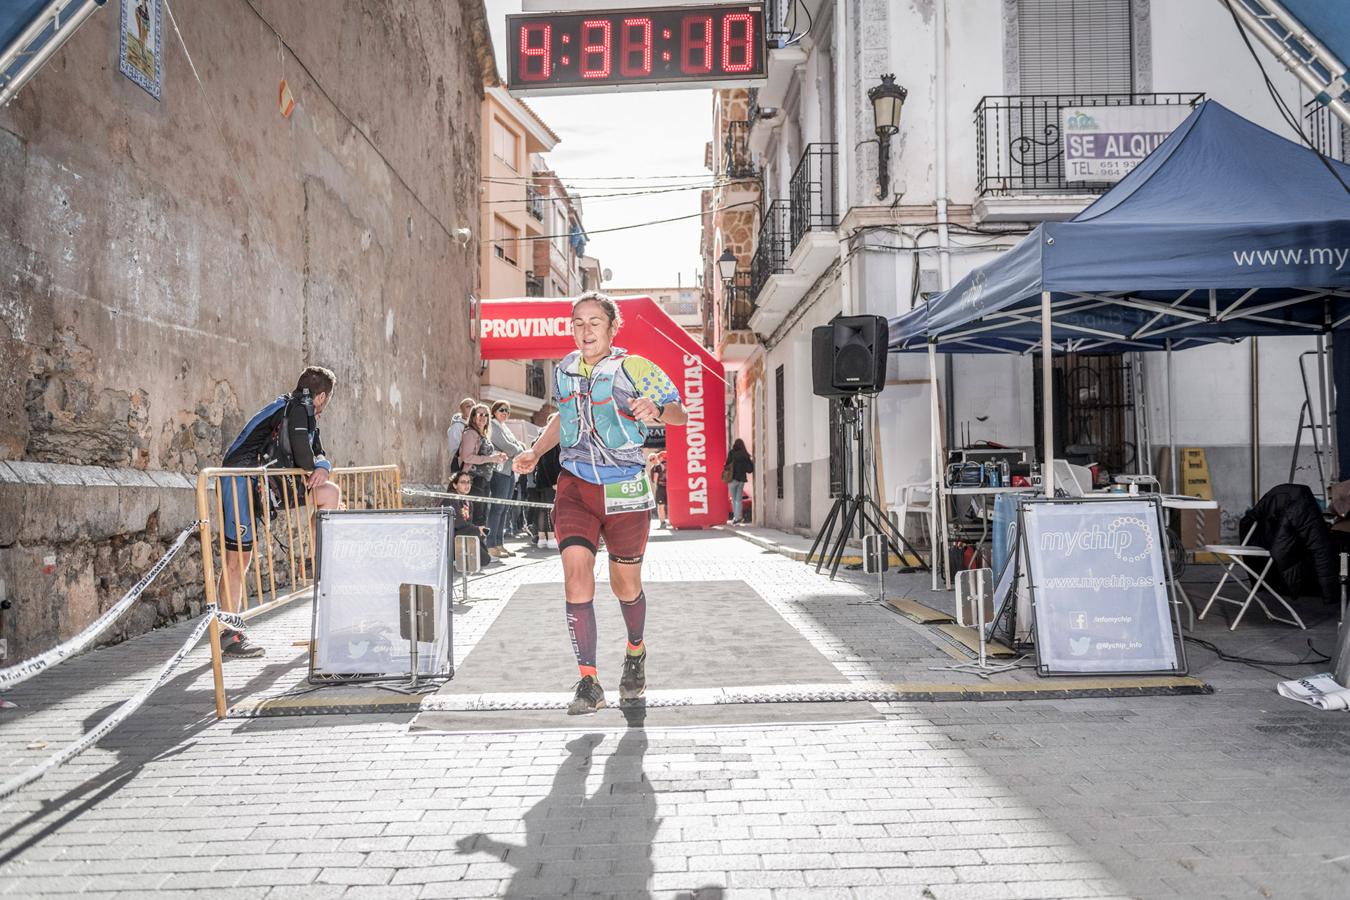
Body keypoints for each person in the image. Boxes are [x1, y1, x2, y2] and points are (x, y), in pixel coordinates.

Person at [514, 292, 689, 715]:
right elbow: (563, 417)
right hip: (576, 485)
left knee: (624, 587)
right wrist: (536, 453)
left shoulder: (635, 368)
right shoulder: (565, 370)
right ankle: (589, 681)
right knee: (576, 574)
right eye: (578, 322)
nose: (585, 330)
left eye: (595, 322)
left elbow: (680, 413)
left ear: (613, 328)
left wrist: (658, 410)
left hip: (625, 488)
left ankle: (635, 653)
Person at [217, 366, 342, 658]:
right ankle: (228, 634)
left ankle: (316, 562)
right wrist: (320, 466)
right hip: (238, 477)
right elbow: (304, 456)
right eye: (329, 399)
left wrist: (323, 466)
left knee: (329, 493)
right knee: (237, 559)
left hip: (263, 478)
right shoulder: (298, 408)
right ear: (322, 396)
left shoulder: (304, 411)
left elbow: (318, 453)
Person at [458, 404, 507, 540]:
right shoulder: (470, 433)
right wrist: (490, 458)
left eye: (486, 415)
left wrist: (497, 457)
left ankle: (479, 548)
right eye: (480, 414)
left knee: (481, 515)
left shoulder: (482, 434)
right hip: (473, 480)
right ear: (473, 417)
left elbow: (484, 455)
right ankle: (474, 549)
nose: (483, 417)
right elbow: (467, 457)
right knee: (475, 516)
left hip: (484, 480)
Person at [486, 401, 527, 558]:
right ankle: (490, 544)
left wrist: (518, 449)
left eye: (508, 411)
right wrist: (519, 450)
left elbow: (517, 446)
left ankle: (499, 543)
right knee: (497, 509)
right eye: (502, 410)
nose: (505, 413)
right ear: (494, 411)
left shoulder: (505, 427)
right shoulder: (493, 426)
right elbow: (510, 447)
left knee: (505, 509)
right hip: (500, 471)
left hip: (509, 471)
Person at [445, 469, 492, 569]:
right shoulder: (450, 498)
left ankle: (463, 555)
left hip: (464, 534)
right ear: (454, 485)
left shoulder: (468, 502)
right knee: (476, 531)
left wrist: (478, 530)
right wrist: (476, 529)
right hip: (449, 536)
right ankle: (454, 557)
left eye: (469, 482)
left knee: (485, 559)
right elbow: (457, 523)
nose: (467, 485)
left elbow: (469, 523)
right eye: (462, 482)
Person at [527, 444, 563, 549]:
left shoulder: (540, 440)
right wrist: (553, 482)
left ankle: (542, 538)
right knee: (548, 509)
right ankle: (551, 538)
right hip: (549, 482)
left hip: (542, 480)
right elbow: (548, 462)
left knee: (543, 510)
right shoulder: (552, 441)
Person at [725, 439, 754, 525]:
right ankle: (738, 517)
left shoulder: (731, 453)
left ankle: (736, 517)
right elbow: (750, 469)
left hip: (732, 479)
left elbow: (727, 465)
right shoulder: (745, 454)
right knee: (739, 499)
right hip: (741, 480)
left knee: (733, 500)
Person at [446, 396, 475, 473]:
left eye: (473, 406)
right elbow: (454, 449)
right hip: (462, 465)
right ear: (462, 410)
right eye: (468, 406)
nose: (471, 408)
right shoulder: (457, 426)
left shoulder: (476, 425)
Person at [650, 451, 669, 529]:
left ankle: (664, 522)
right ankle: (665, 522)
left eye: (653, 458)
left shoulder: (657, 467)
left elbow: (654, 479)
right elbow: (654, 479)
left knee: (662, 506)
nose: (653, 460)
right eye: (651, 460)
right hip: (665, 488)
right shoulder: (655, 467)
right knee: (664, 505)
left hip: (663, 488)